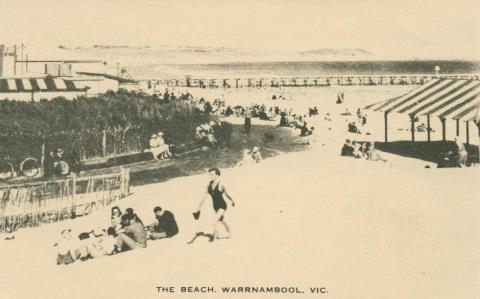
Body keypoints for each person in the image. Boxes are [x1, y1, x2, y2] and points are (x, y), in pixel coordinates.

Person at [191, 168, 235, 243]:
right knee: (222, 220)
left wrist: (232, 201)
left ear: (217, 175)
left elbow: (227, 195)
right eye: (210, 175)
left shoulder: (221, 185)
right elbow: (203, 197)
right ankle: (229, 233)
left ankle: (216, 237)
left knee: (214, 221)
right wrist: (198, 208)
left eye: (212, 175)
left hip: (222, 205)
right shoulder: (209, 185)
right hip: (215, 206)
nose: (210, 176)